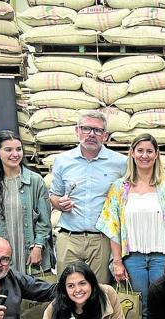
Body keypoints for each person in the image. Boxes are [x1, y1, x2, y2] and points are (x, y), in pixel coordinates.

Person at [96, 133, 165, 319]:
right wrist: (118, 262)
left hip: (162, 257)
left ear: (157, 154)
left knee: (163, 305)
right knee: (136, 308)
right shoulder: (119, 188)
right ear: (132, 153)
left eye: (149, 151)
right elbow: (113, 227)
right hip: (133, 259)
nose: (144, 155)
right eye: (140, 151)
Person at [49, 110, 127, 283]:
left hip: (101, 240)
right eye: (86, 129)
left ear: (105, 135)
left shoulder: (120, 163)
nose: (91, 134)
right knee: (67, 291)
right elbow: (54, 195)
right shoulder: (63, 161)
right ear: (77, 131)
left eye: (97, 130)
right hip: (68, 238)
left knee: (98, 292)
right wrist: (59, 204)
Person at [0, 130, 54, 274]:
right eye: (8, 149)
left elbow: (44, 221)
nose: (15, 154)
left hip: (29, 251)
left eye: (18, 149)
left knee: (31, 292)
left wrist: (38, 246)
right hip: (0, 254)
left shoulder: (35, 181)